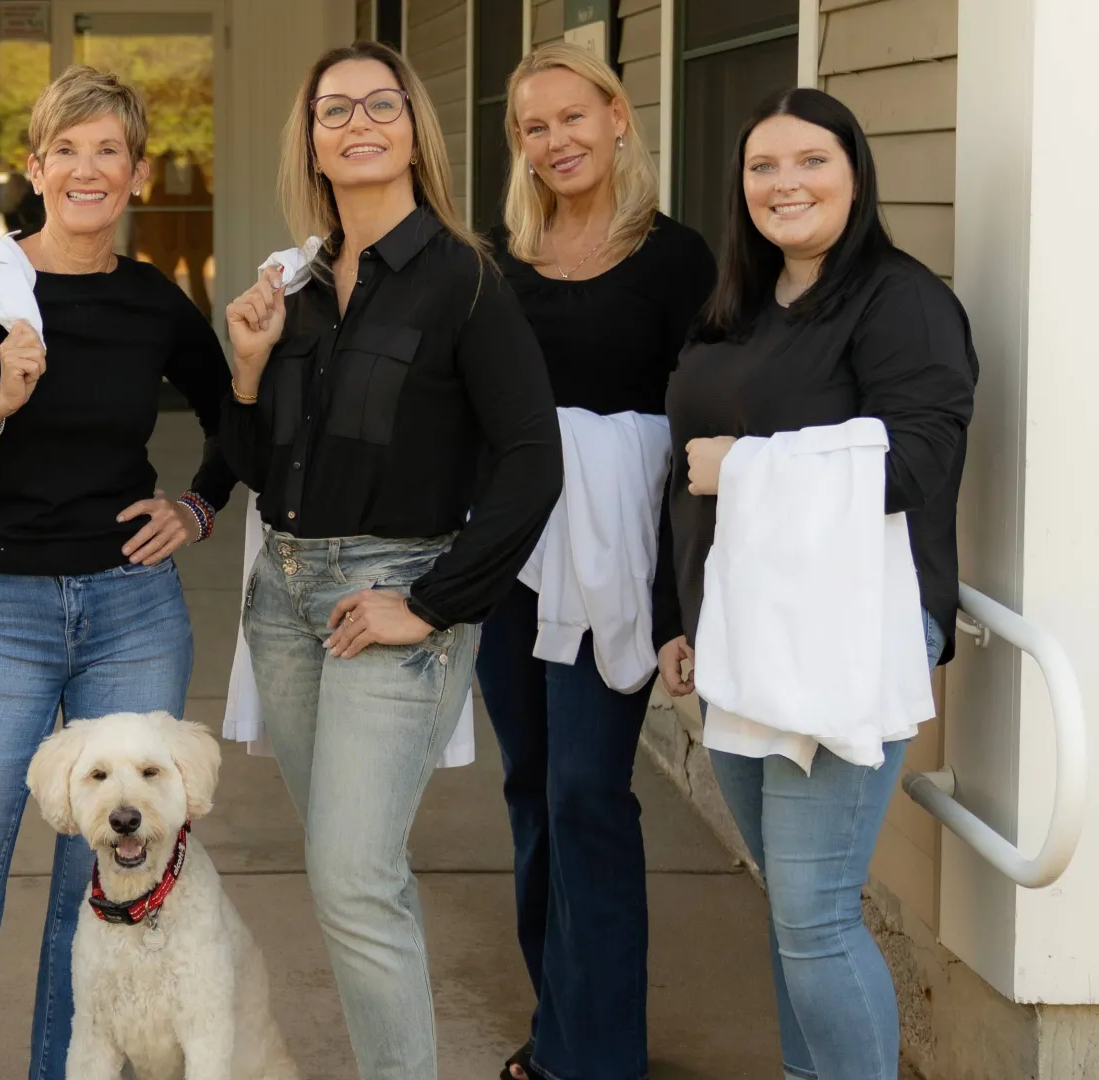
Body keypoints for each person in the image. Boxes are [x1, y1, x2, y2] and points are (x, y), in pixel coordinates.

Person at [0, 65, 237, 1080]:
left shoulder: (153, 303)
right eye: (63, 148)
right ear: (32, 166)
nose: (85, 167)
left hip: (133, 615)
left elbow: (237, 415)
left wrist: (197, 505)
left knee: (113, 893)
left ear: (138, 174)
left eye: (107, 148)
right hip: (0, 621)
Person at [221, 41, 563, 1080]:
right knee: (342, 875)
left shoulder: (464, 280)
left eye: (381, 105)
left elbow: (532, 462)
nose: (359, 123)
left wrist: (433, 602)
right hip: (283, 601)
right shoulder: (297, 282)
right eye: (335, 110)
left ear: (414, 129)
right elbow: (255, 465)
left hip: (390, 597)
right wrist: (245, 369)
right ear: (312, 142)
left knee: (356, 877)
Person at [659, 87, 976, 1080]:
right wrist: (685, 618)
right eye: (763, 167)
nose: (785, 183)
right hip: (742, 631)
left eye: (811, 162)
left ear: (856, 174)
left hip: (846, 633)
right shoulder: (742, 303)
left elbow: (917, 463)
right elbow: (685, 473)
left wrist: (745, 462)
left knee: (816, 912)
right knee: (791, 906)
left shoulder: (903, 303)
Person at [475, 43, 715, 1080]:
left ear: (619, 119)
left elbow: (702, 418)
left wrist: (683, 592)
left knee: (587, 789)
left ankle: (600, 1055)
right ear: (518, 146)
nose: (558, 140)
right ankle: (561, 1025)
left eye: (575, 117)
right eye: (535, 126)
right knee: (531, 788)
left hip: (618, 554)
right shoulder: (496, 256)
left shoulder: (677, 259)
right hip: (509, 554)